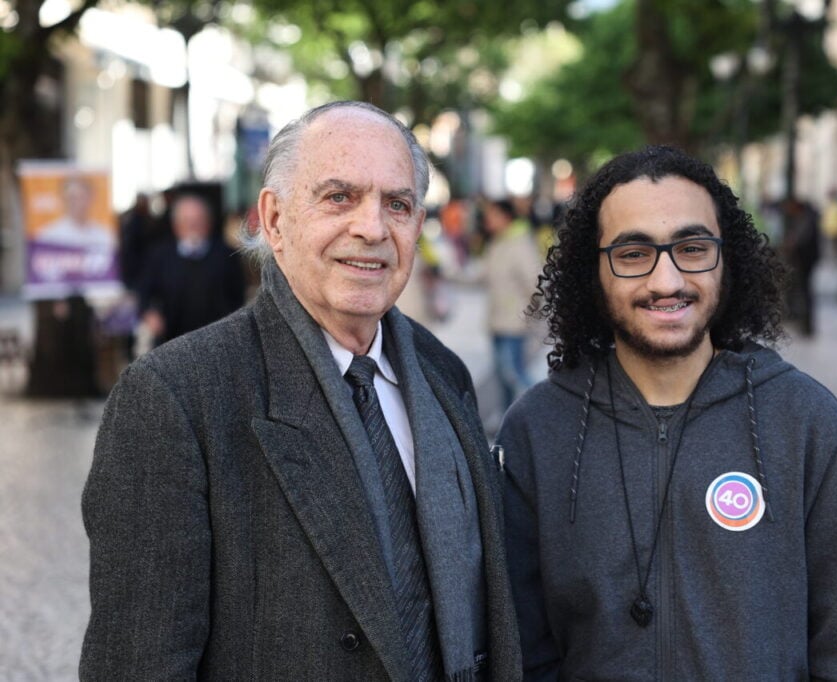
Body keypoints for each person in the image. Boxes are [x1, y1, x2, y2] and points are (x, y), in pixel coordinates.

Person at [80, 101, 521, 680]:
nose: (371, 227)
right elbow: (138, 664)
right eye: (339, 196)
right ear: (274, 218)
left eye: (397, 203)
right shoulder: (175, 398)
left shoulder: (444, 373)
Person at [498, 145, 837, 680]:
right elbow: (522, 654)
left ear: (725, 257)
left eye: (691, 248)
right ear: (592, 271)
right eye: (633, 253)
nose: (667, 281)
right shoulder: (536, 431)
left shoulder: (806, 421)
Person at [136, 194, 247, 346]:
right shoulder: (160, 256)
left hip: (218, 342)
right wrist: (150, 314)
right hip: (171, 342)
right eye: (187, 221)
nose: (193, 226)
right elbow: (144, 292)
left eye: (198, 220)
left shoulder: (227, 255)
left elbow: (238, 296)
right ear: (176, 225)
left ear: (209, 223)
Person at [481, 198, 542, 409]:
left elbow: (535, 284)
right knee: (503, 377)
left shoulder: (518, 243)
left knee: (514, 374)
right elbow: (484, 274)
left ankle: (544, 412)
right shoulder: (498, 242)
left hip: (513, 322)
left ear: (505, 216)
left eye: (491, 215)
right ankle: (507, 423)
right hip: (498, 320)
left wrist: (527, 314)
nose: (486, 219)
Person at [35, 175, 115, 250]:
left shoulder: (104, 235)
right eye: (72, 198)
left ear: (91, 198)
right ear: (63, 199)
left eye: (81, 197)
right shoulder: (48, 235)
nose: (77, 203)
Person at [779, 196, 821, 336]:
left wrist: (791, 243)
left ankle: (807, 325)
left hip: (806, 261)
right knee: (801, 290)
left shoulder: (806, 219)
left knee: (805, 291)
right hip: (805, 261)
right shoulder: (805, 218)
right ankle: (801, 319)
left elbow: (800, 240)